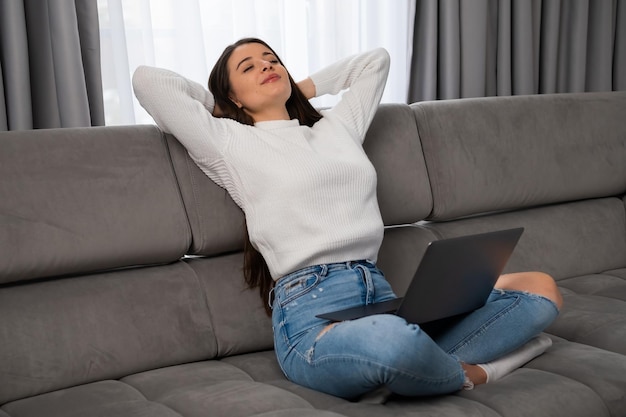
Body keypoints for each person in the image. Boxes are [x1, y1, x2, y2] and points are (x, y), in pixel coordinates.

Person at [132, 37, 563, 400]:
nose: (267, 65)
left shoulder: (336, 130)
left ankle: (413, 367)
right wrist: (221, 106)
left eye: (273, 59)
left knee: (541, 289)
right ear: (232, 96)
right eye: (249, 67)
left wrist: (296, 88)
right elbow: (149, 82)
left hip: (381, 297)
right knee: (392, 341)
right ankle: (476, 372)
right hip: (311, 321)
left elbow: (374, 61)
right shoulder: (228, 143)